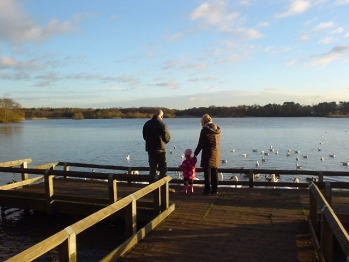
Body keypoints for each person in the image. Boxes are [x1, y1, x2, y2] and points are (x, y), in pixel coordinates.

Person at [194, 114, 221, 195]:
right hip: (216, 153)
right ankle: (215, 189)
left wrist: (195, 153)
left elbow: (201, 144)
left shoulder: (204, 130)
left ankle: (207, 190)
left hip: (207, 152)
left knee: (207, 172)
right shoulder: (217, 129)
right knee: (214, 171)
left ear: (203, 121)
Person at [142, 109, 171, 183]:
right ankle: (162, 186)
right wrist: (164, 142)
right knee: (163, 169)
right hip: (160, 149)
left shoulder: (147, 124)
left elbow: (144, 136)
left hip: (150, 149)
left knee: (152, 169)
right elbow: (167, 138)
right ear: (161, 116)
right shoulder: (162, 124)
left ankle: (151, 186)